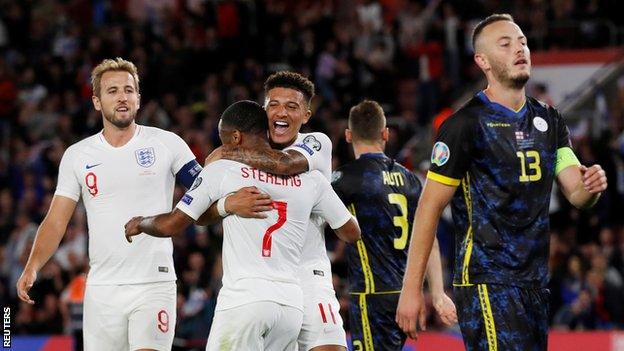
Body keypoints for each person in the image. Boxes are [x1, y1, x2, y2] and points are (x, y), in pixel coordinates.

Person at [396, 14, 608, 351]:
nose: (520, 49)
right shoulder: (464, 125)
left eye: (522, 41)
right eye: (505, 44)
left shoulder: (549, 120)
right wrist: (412, 290)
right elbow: (428, 209)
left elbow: (576, 192)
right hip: (486, 280)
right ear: (483, 61)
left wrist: (591, 186)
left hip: (535, 283)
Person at [124, 100, 361, 350]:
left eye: (224, 138)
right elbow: (351, 231)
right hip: (291, 308)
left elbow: (172, 224)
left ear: (235, 137)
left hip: (245, 301)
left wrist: (142, 222)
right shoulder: (310, 179)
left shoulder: (223, 169)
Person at [15, 58, 203, 351]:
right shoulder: (78, 155)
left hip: (153, 283)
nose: (122, 97)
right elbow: (56, 221)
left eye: (129, 90)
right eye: (112, 91)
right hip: (102, 290)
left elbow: (203, 193)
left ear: (138, 99)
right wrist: (33, 266)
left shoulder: (168, 144)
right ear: (97, 102)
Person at [209, 71, 351, 351]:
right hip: (260, 284)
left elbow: (284, 165)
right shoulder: (244, 156)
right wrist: (226, 205)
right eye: (273, 104)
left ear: (307, 115)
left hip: (309, 275)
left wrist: (227, 151)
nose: (280, 112)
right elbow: (199, 212)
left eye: (291, 106)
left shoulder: (316, 143)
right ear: (264, 110)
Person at [332, 100, 456, 351]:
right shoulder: (410, 180)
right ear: (385, 134)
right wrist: (438, 292)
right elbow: (428, 239)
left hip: (371, 295)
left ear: (348, 135)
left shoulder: (346, 179)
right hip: (406, 296)